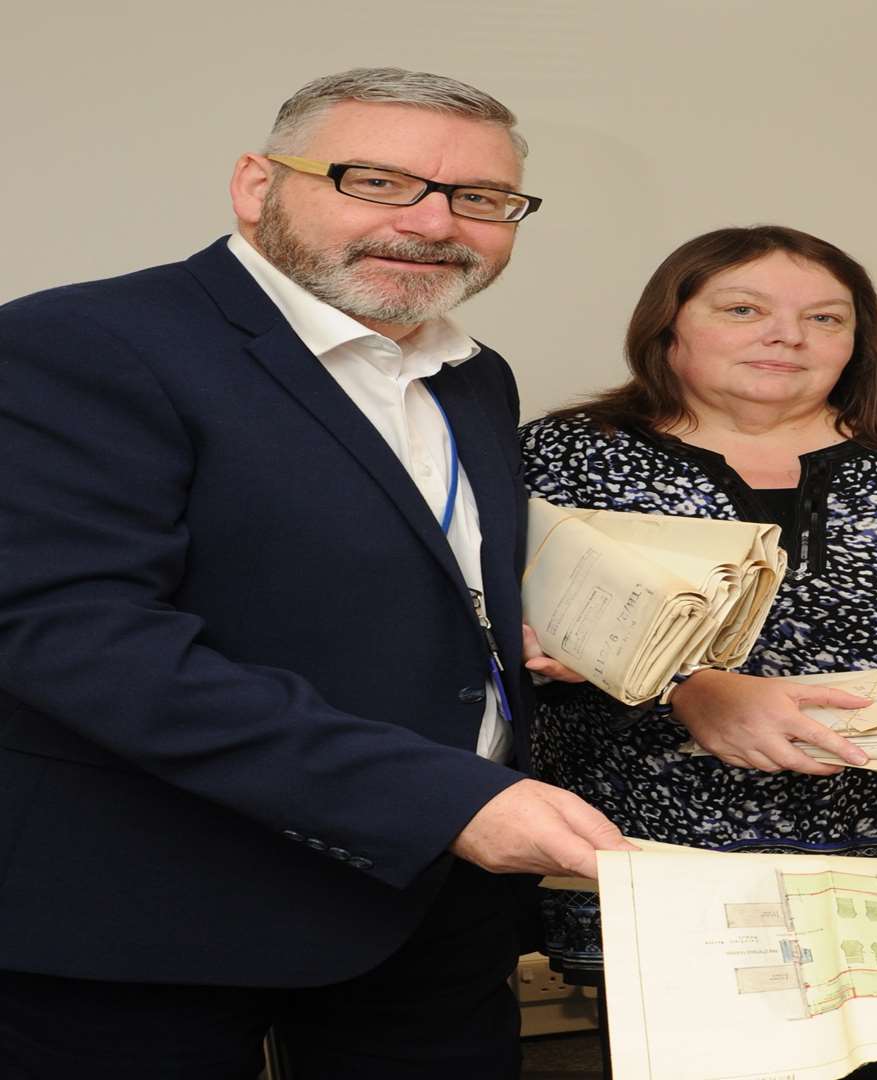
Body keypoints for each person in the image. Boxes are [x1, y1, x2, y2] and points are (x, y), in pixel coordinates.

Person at [0, 68, 627, 1079]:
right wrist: (443, 800)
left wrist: (512, 631)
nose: (432, 224)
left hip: (426, 912)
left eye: (481, 199)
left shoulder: (473, 374)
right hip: (148, 914)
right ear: (258, 185)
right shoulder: (77, 343)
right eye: (376, 181)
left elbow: (394, 569)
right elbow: (72, 635)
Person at [520, 225, 877, 1071]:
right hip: (679, 874)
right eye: (743, 309)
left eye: (827, 319)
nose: (788, 336)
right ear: (668, 325)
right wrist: (677, 680)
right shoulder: (562, 458)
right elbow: (508, 633)